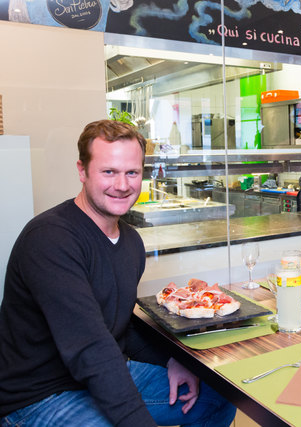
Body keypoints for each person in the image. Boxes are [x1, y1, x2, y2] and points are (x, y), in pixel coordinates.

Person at [0, 120, 236, 427]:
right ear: (82, 171)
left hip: (99, 373)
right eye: (109, 171)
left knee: (216, 398)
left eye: (132, 172)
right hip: (38, 397)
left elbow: (119, 325)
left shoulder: (130, 242)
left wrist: (169, 360)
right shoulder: (50, 239)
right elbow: (90, 349)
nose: (122, 184)